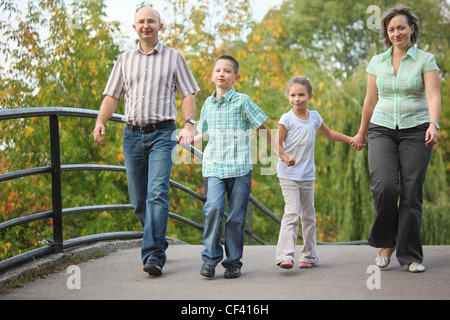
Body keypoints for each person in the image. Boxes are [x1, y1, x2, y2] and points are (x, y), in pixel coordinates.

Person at [93, 7, 200, 276]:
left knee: (156, 192)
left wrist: (189, 124)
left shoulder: (174, 57)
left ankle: (153, 254)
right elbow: (112, 95)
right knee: (139, 199)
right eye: (141, 21)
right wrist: (100, 121)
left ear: (160, 26)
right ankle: (157, 236)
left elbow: (188, 93)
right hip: (131, 134)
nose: (146, 25)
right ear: (134, 27)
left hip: (163, 134)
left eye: (151, 21)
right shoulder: (124, 59)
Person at [351, 5, 441, 273]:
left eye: (401, 27)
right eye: (391, 29)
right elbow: (370, 100)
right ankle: (387, 241)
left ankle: (411, 255)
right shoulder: (377, 61)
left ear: (412, 28)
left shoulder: (426, 59)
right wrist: (361, 131)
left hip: (417, 129)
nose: (396, 33)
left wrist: (433, 124)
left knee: (412, 192)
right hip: (382, 128)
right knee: (384, 186)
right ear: (386, 33)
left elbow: (433, 96)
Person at [195, 55, 295, 279]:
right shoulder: (207, 104)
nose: (222, 73)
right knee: (213, 208)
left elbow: (263, 129)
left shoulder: (243, 101)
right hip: (214, 168)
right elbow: (207, 132)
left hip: (239, 169)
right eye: (218, 70)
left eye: (227, 71)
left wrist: (281, 153)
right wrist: (193, 137)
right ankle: (210, 259)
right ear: (212, 76)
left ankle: (233, 263)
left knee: (236, 217)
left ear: (236, 77)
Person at [275, 76, 353, 269]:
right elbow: (275, 145)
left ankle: (309, 256)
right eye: (293, 95)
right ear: (288, 96)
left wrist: (351, 140)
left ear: (310, 96)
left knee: (309, 215)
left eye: (301, 95)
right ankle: (285, 255)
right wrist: (285, 156)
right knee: (292, 212)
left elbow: (331, 134)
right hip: (288, 175)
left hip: (307, 175)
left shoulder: (315, 117)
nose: (297, 99)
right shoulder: (286, 119)